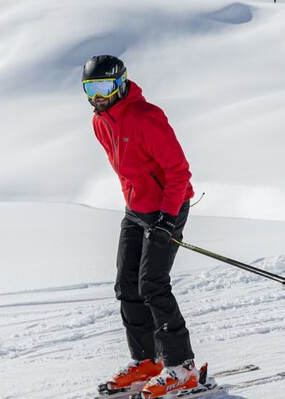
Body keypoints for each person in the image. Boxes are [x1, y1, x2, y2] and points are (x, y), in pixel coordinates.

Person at [84, 56, 205, 398]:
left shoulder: (146, 117)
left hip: (167, 206)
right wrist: (136, 204)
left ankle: (182, 367)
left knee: (153, 285)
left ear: (121, 83)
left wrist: (167, 218)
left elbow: (179, 171)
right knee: (127, 285)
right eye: (91, 89)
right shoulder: (100, 121)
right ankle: (147, 360)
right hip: (136, 208)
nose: (98, 96)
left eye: (104, 87)